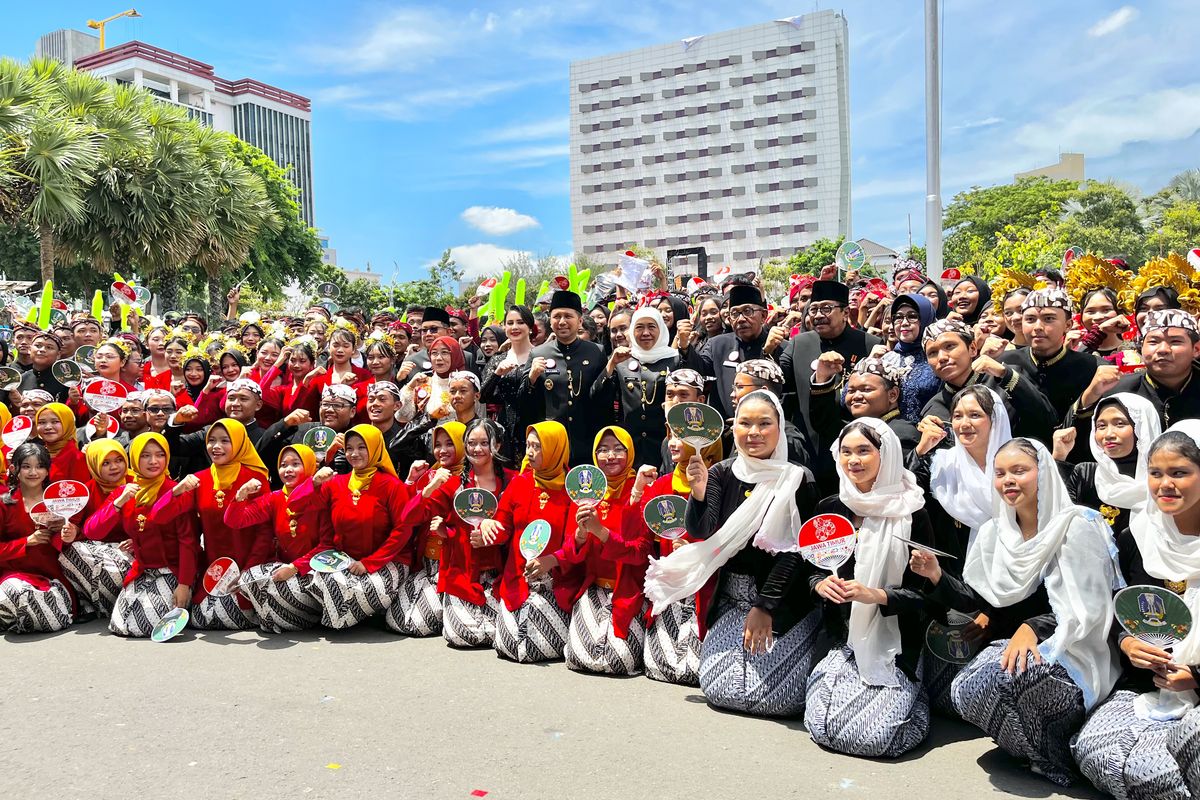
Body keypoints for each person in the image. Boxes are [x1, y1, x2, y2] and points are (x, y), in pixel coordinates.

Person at [912, 437, 1121, 786]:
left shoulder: (1077, 524)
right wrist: (935, 574)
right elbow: (982, 601)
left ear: (1044, 473)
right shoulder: (996, 531)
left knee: (1009, 679)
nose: (1008, 480)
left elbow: (1092, 605)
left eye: (1020, 471)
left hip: (1075, 648)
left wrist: (1034, 627)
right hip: (1016, 643)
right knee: (966, 687)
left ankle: (1059, 753)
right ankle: (1037, 748)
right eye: (1000, 473)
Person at [646, 390, 819, 717]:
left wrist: (765, 607)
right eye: (745, 423)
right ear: (733, 428)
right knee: (720, 689)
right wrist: (698, 493)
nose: (753, 433)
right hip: (729, 599)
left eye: (764, 424)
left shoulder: (797, 478)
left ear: (780, 428)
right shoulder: (722, 472)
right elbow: (702, 531)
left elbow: (797, 550)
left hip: (781, 601)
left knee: (776, 698)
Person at [1071, 422, 1200, 800]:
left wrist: (1195, 676)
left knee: (1170, 764)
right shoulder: (1139, 535)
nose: (1165, 484)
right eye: (1156, 473)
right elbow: (1114, 605)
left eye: (1180, 473)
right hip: (1147, 686)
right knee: (1096, 751)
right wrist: (1127, 643)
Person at [804, 419, 941, 757]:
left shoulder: (913, 511)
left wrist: (875, 595)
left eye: (864, 451)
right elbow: (810, 569)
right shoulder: (831, 508)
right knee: (824, 725)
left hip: (895, 641)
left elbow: (926, 594)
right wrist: (820, 584)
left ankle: (917, 696)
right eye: (846, 451)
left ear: (887, 454)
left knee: (877, 737)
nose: (853, 460)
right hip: (843, 637)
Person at [479, 421, 583, 663]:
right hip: (518, 577)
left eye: (537, 446)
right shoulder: (520, 483)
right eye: (528, 445)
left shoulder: (573, 490)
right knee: (508, 643)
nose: (529, 453)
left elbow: (574, 542)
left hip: (555, 580)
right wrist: (489, 526)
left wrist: (551, 560)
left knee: (540, 645)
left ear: (555, 449)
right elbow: (503, 526)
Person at [162, 419, 274, 630]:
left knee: (227, 615)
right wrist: (175, 492)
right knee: (202, 619)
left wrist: (247, 572)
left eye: (225, 441)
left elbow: (264, 531)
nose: (216, 446)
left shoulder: (255, 479)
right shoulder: (198, 480)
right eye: (211, 440)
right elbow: (167, 519)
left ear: (240, 443)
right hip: (213, 568)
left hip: (249, 565)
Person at [298, 425, 411, 629]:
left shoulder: (392, 486)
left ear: (375, 448)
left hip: (389, 560)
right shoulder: (335, 483)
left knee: (363, 591)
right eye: (349, 448)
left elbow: (402, 531)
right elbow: (298, 506)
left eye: (362, 447)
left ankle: (347, 616)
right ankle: (344, 615)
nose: (354, 453)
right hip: (346, 560)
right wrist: (313, 482)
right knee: (319, 582)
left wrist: (369, 563)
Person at [631, 433, 722, 685]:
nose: (671, 442)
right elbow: (640, 531)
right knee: (657, 665)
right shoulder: (662, 485)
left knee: (694, 669)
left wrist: (692, 550)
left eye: (680, 438)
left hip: (702, 586)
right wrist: (638, 491)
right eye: (669, 435)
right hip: (670, 589)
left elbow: (726, 538)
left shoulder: (719, 482)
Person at [87, 433, 198, 638]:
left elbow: (188, 542)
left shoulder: (177, 492)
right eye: (146, 455)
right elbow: (92, 531)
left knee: (143, 627)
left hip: (173, 571)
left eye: (159, 455)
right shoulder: (127, 492)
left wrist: (184, 584)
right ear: (135, 458)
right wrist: (118, 503)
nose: (153, 461)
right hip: (143, 570)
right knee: (120, 625)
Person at [561, 426, 649, 675]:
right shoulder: (584, 492)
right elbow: (569, 550)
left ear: (630, 452)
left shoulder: (641, 490)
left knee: (620, 660)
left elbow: (639, 552)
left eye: (618, 449)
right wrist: (580, 534)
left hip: (629, 588)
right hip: (594, 586)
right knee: (581, 657)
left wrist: (601, 532)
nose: (610, 456)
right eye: (603, 450)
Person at [418, 418, 512, 647]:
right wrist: (430, 491)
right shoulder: (452, 484)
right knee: (463, 636)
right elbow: (416, 515)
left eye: (483, 443)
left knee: (498, 633)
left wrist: (494, 531)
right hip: (462, 573)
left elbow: (516, 525)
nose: (477, 449)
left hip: (499, 573)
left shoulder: (512, 480)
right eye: (471, 443)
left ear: (497, 445)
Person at [224, 445, 328, 633]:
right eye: (283, 465)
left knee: (280, 590)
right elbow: (235, 521)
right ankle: (286, 620)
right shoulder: (275, 498)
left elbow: (328, 545)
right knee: (249, 578)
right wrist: (241, 496)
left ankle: (303, 619)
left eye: (296, 464)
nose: (288, 470)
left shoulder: (323, 495)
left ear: (311, 467)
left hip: (315, 571)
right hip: (285, 569)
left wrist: (295, 567)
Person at [910, 386, 1012, 559]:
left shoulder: (1020, 467)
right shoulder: (939, 466)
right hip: (951, 573)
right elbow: (900, 490)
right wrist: (919, 451)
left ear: (995, 419)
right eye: (957, 416)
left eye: (975, 415)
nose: (964, 424)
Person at [386, 422, 467, 637]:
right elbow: (406, 515)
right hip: (426, 563)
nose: (442, 450)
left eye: (450, 444)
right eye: (437, 445)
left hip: (453, 564)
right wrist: (415, 482)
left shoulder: (470, 478)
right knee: (398, 619)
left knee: (419, 624)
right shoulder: (433, 475)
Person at [921, 318, 1057, 443]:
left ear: (973, 348)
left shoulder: (1004, 378)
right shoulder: (934, 409)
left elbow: (1048, 419)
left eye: (950, 346)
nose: (942, 357)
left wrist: (1006, 374)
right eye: (932, 353)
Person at [780, 280, 882, 446]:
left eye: (826, 308)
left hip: (859, 443)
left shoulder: (870, 344)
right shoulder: (799, 344)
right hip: (809, 444)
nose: (818, 315)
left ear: (845, 312)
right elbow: (781, 386)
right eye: (813, 309)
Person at [1072, 309, 1200, 431]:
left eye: (1175, 342)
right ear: (1141, 348)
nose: (1163, 349)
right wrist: (1090, 396)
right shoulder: (1117, 390)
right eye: (1154, 342)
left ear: (1196, 349)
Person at [521, 292, 607, 465]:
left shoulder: (596, 351)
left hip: (587, 441)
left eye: (568, 316)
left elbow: (604, 397)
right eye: (556, 316)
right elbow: (524, 401)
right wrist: (531, 378)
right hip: (551, 443)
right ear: (550, 321)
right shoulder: (539, 353)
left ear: (580, 321)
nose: (562, 322)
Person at [1055, 393, 1161, 533]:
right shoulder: (1086, 475)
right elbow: (1054, 519)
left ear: (1142, 428)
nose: (1109, 434)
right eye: (1101, 426)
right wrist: (1058, 457)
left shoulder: (1163, 481)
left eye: (1119, 424)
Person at [0, 442, 75, 633]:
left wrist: (69, 533)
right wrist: (26, 542)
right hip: (15, 575)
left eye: (40, 466)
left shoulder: (59, 501)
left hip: (53, 576)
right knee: (16, 592)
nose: (33, 472)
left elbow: (71, 543)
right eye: (26, 466)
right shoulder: (4, 503)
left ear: (48, 470)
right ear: (13, 469)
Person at [593, 306, 679, 467]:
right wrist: (611, 365)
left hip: (665, 445)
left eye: (651, 327)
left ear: (661, 329)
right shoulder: (621, 361)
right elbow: (598, 398)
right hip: (632, 447)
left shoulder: (675, 359)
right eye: (639, 327)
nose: (645, 333)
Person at [999, 288, 1099, 424]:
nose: (1038, 327)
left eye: (1048, 319)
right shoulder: (1004, 362)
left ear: (1068, 325)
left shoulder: (1092, 367)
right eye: (1030, 319)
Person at [58, 439, 131, 618]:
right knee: (69, 552)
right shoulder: (86, 491)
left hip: (130, 549)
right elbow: (76, 523)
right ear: (93, 464)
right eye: (105, 463)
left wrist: (137, 539)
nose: (114, 467)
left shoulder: (136, 484)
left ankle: (114, 603)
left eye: (119, 460)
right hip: (97, 549)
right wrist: (73, 532)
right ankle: (93, 602)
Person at [689, 284, 773, 420]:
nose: (740, 319)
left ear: (763, 315)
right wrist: (686, 348)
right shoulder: (718, 344)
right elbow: (699, 369)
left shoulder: (776, 345)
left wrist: (768, 352)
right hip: (725, 431)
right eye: (734, 313)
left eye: (747, 311)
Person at [480, 305, 536, 464]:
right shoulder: (498, 359)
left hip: (535, 425)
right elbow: (483, 397)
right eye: (510, 323)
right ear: (504, 327)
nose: (515, 327)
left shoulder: (542, 354)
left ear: (530, 327)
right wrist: (497, 374)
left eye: (520, 322)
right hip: (505, 427)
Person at [887, 294, 941, 423]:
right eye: (898, 317)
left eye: (912, 316)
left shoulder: (938, 356)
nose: (904, 323)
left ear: (925, 319)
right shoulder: (886, 359)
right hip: (892, 434)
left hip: (931, 432)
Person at [34, 402, 90, 484]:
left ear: (67, 423)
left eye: (55, 422)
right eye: (42, 422)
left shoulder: (77, 458)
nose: (48, 427)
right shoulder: (36, 453)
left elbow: (80, 493)